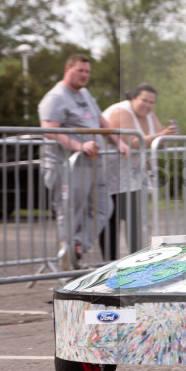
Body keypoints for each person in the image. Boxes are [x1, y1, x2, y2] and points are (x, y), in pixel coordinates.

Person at [39, 54, 129, 265]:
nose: (84, 75)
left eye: (87, 71)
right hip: (68, 166)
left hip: (93, 164)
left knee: (104, 207)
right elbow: (49, 131)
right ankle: (67, 264)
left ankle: (77, 245)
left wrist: (119, 142)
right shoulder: (55, 97)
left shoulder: (85, 93)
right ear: (67, 69)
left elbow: (100, 120)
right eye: (80, 70)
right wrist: (79, 146)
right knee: (71, 212)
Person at [99, 83, 177, 260]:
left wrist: (167, 135)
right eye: (144, 100)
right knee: (112, 220)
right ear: (133, 98)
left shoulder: (149, 114)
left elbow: (159, 139)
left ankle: (135, 260)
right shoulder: (121, 112)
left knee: (136, 221)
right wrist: (160, 136)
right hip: (110, 174)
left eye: (152, 102)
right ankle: (108, 263)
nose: (148, 105)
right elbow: (132, 142)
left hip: (133, 175)